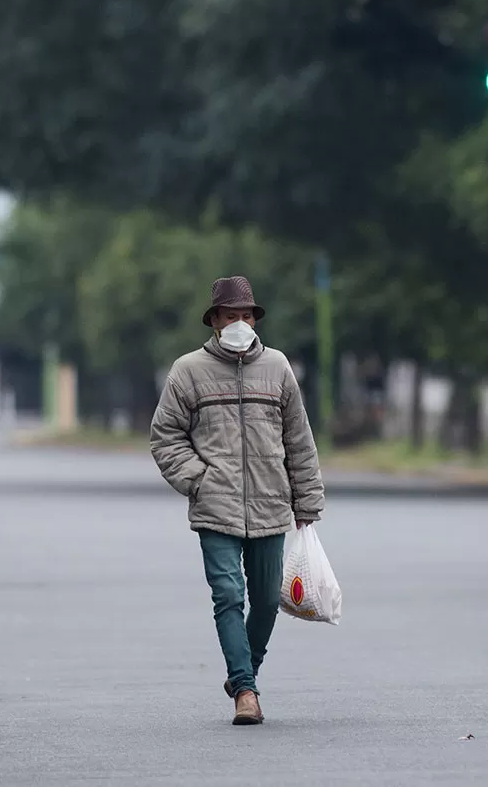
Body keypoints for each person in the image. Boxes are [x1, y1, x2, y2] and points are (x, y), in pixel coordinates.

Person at [149, 276, 326, 726]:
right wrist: (199, 479)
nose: (241, 323)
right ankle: (245, 690)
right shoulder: (188, 370)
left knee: (266, 601)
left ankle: (243, 672)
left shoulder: (279, 367)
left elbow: (299, 439)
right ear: (214, 322)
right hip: (216, 507)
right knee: (228, 596)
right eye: (232, 316)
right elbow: (165, 436)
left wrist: (307, 501)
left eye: (247, 315)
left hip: (271, 505)